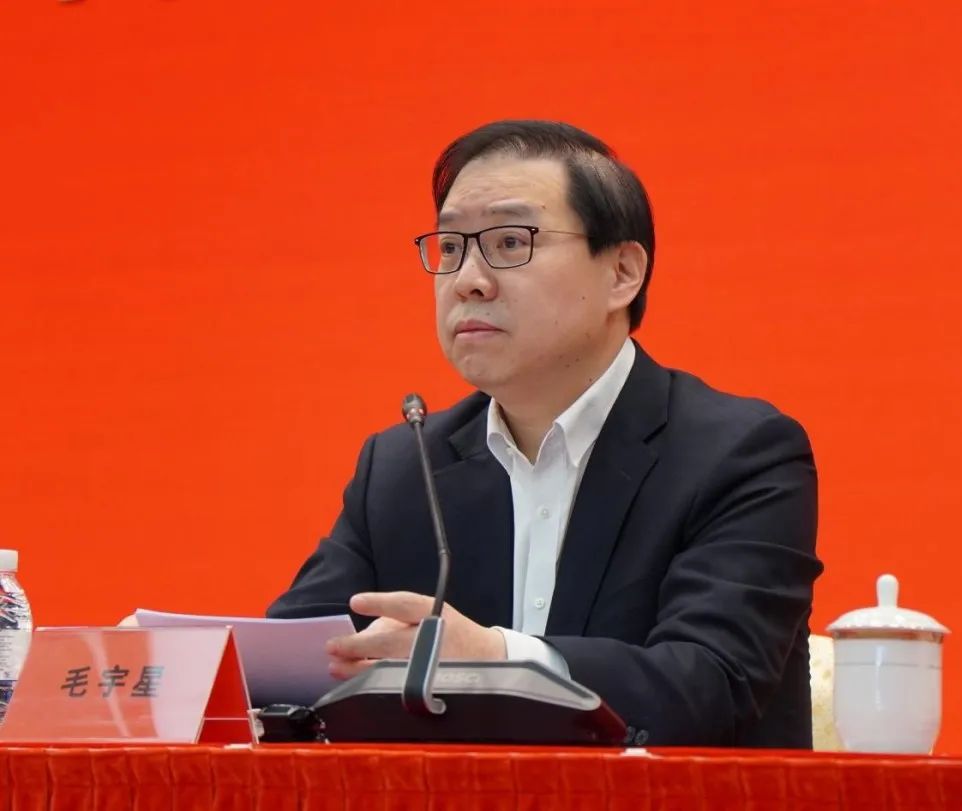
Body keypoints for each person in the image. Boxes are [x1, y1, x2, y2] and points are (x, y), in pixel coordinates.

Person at [267, 120, 822, 747]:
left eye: (510, 242)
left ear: (622, 272)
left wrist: (497, 659)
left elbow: (710, 683)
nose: (468, 279)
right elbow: (287, 666)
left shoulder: (739, 454)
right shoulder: (403, 467)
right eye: (450, 247)